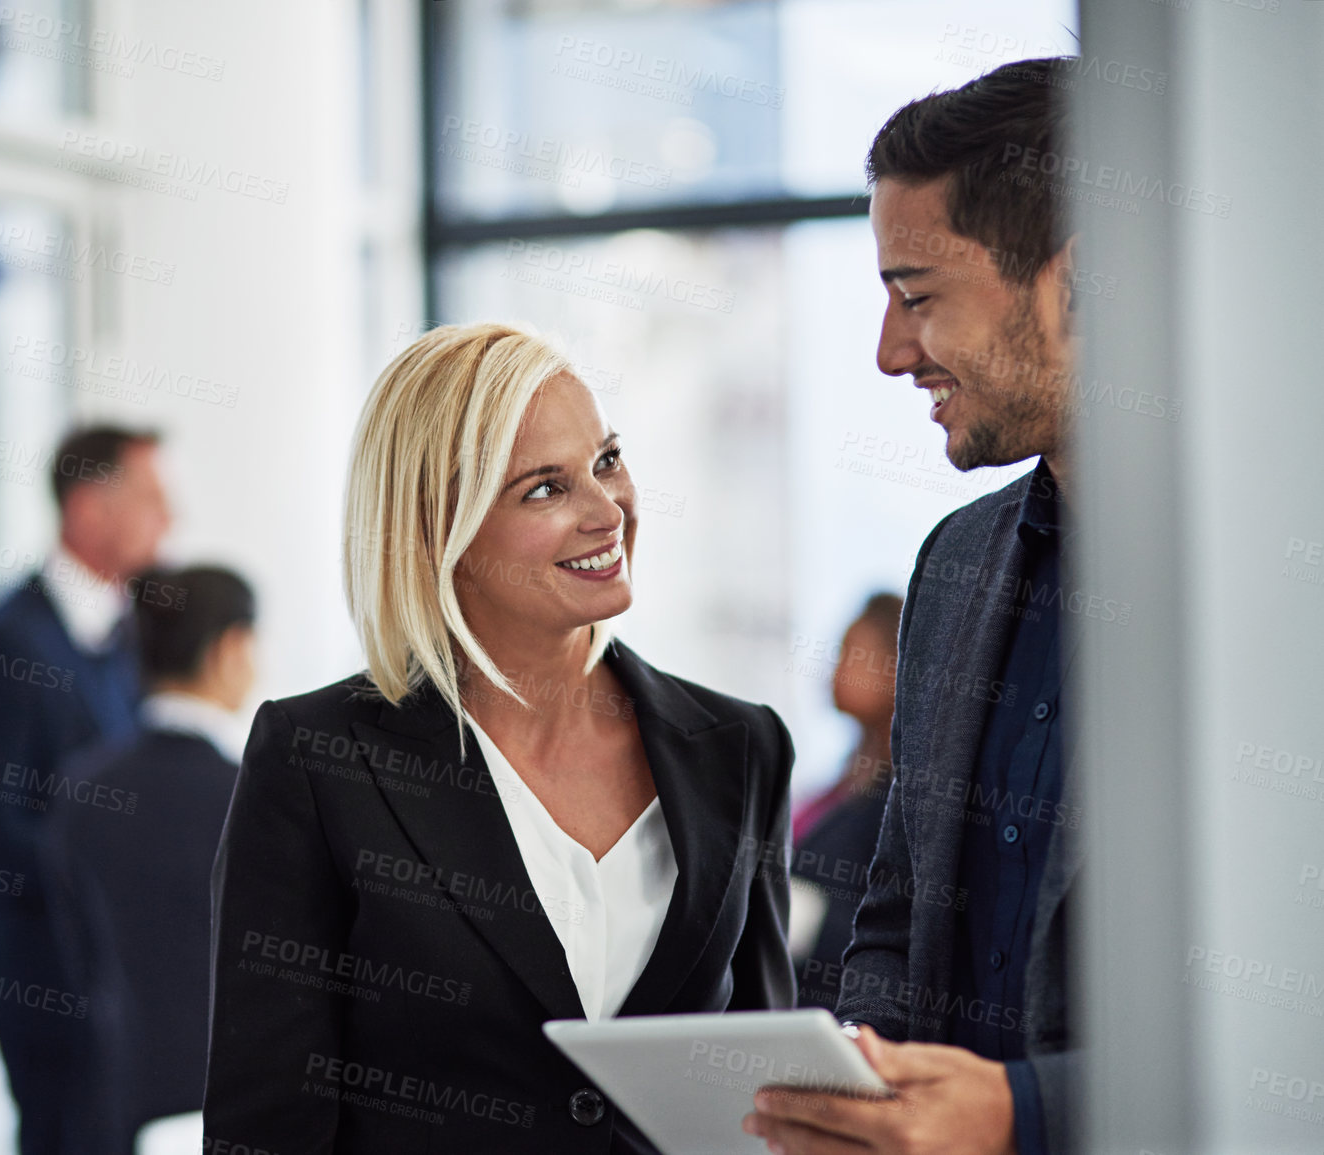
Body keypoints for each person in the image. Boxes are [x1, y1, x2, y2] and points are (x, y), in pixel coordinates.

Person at [203, 322, 796, 1154]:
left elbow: (757, 1089)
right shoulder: (317, 757)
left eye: (606, 459)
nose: (606, 510)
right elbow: (265, 1122)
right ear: (439, 530)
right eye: (544, 489)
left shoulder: (739, 746)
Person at [745, 57, 1083, 1155]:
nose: (891, 352)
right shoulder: (957, 563)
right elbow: (898, 914)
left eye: (918, 297)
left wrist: (1025, 1115)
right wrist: (861, 1082)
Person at [0, 424, 171, 1155]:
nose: (170, 517)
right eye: (150, 497)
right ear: (87, 508)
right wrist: (104, 875)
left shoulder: (127, 634)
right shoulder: (12, 642)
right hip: (45, 983)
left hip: (116, 984)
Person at [46, 564, 256, 1155]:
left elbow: (77, 959)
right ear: (230, 650)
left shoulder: (80, 792)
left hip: (115, 1101)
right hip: (232, 1107)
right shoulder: (259, 797)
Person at [790, 593, 902, 1011]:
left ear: (898, 667)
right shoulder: (840, 783)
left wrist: (807, 917)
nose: (835, 671)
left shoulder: (899, 799)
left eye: (854, 655)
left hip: (847, 1010)